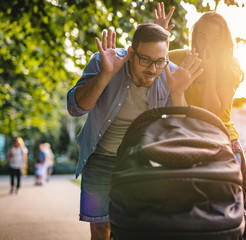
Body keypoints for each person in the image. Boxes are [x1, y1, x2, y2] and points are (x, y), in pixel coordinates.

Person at [67, 23, 203, 239]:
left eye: (160, 61)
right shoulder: (105, 61)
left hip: (140, 162)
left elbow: (179, 136)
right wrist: (105, 75)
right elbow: (75, 109)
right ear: (131, 53)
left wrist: (177, 93)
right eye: (145, 60)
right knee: (101, 228)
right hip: (100, 158)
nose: (152, 69)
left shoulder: (171, 76)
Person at [154, 3, 246, 239]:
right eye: (201, 36)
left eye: (214, 38)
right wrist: (160, 32)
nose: (206, 44)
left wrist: (209, 72)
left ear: (223, 41)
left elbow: (213, 111)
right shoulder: (181, 57)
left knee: (226, 219)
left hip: (223, 144)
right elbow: (153, 58)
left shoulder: (231, 66)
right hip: (188, 143)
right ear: (194, 36)